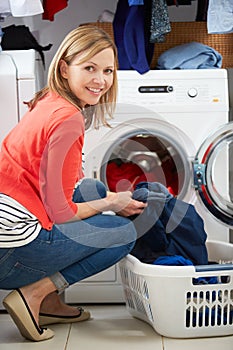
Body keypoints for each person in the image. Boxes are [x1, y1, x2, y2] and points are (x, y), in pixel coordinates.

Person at [0, 25, 147, 342]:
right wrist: (112, 202)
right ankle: (33, 294)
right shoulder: (68, 120)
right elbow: (62, 213)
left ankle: (51, 303)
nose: (101, 80)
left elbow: (54, 188)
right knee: (123, 234)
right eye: (89, 68)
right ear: (65, 68)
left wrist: (103, 198)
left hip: (7, 229)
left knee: (91, 190)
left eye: (108, 70)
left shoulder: (49, 100)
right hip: (8, 255)